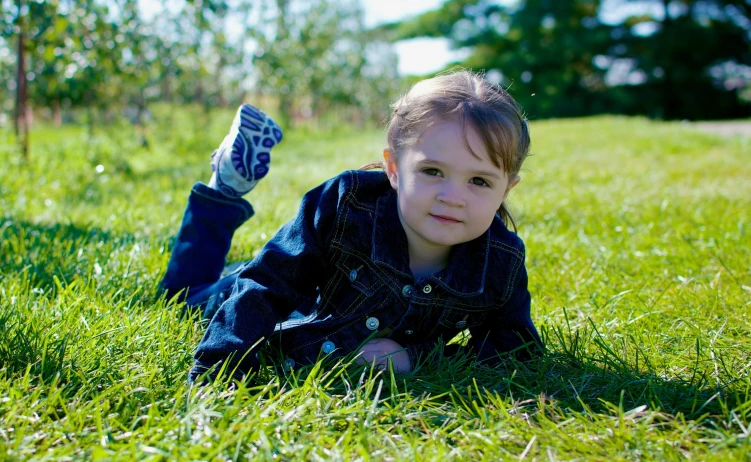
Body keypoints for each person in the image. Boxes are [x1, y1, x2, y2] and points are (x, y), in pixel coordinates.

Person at [159, 70, 542, 383]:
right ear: (393, 169)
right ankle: (223, 189)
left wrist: (414, 358)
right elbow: (267, 284)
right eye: (432, 171)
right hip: (283, 299)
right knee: (181, 297)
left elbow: (517, 348)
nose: (452, 197)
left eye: (479, 181)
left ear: (506, 188)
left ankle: (224, 187)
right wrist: (218, 372)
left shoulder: (500, 262)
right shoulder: (348, 208)